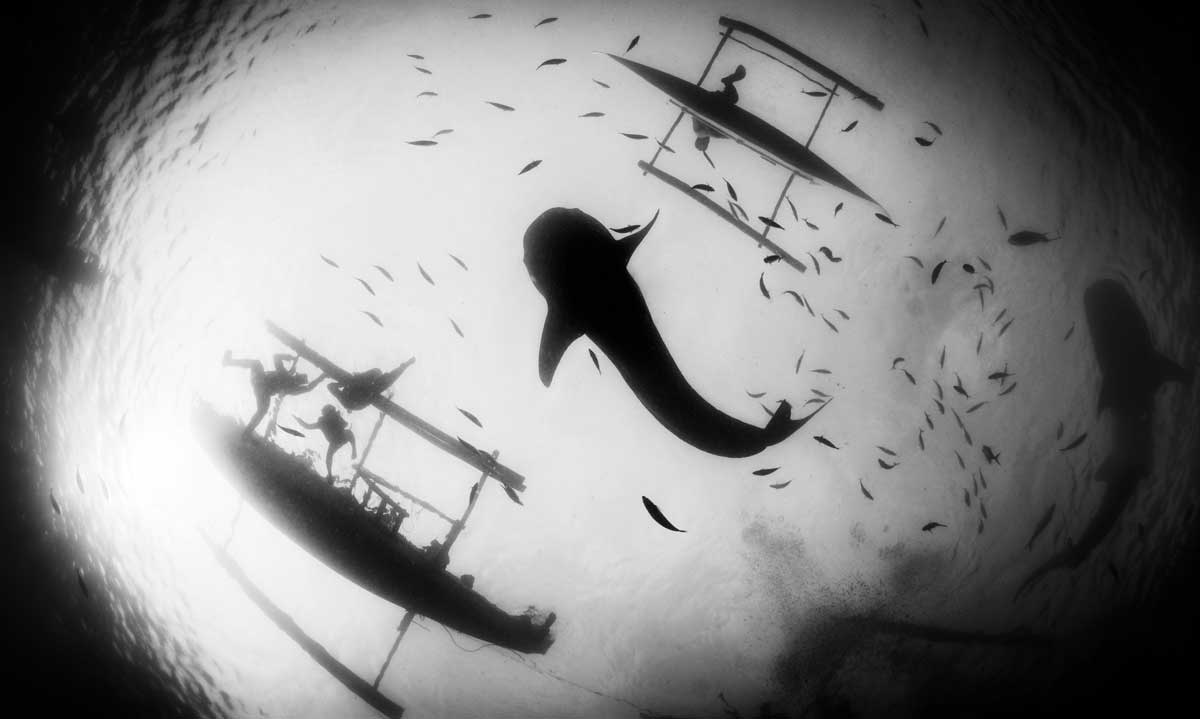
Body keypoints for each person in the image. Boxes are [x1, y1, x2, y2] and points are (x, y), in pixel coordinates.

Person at [223, 350, 325, 438]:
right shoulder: (291, 387)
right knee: (262, 411)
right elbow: (309, 388)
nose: (296, 374)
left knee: (256, 364)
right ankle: (246, 433)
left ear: (296, 376)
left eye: (297, 375)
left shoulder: (285, 375)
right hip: (262, 389)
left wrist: (289, 357)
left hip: (260, 383)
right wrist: (321, 377)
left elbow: (276, 357)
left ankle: (229, 362)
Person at [295, 404, 358, 481]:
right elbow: (307, 426)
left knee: (329, 456)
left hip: (338, 440)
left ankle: (330, 475)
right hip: (336, 441)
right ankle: (330, 475)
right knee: (329, 456)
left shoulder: (329, 419)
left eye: (332, 413)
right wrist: (297, 419)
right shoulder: (324, 421)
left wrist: (298, 419)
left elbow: (307, 426)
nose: (332, 414)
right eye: (331, 413)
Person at [693, 64, 747, 152]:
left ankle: (728, 81)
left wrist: (732, 137)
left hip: (711, 105)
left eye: (705, 144)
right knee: (731, 97)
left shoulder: (700, 133)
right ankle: (728, 82)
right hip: (711, 105)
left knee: (733, 98)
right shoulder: (699, 131)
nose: (708, 142)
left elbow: (715, 134)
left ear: (701, 142)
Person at [328, 357, 416, 411]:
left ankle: (403, 366)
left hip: (358, 399)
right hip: (358, 399)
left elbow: (330, 386)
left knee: (383, 382)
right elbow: (391, 377)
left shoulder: (360, 382)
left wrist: (344, 384)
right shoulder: (361, 382)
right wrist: (405, 366)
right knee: (383, 382)